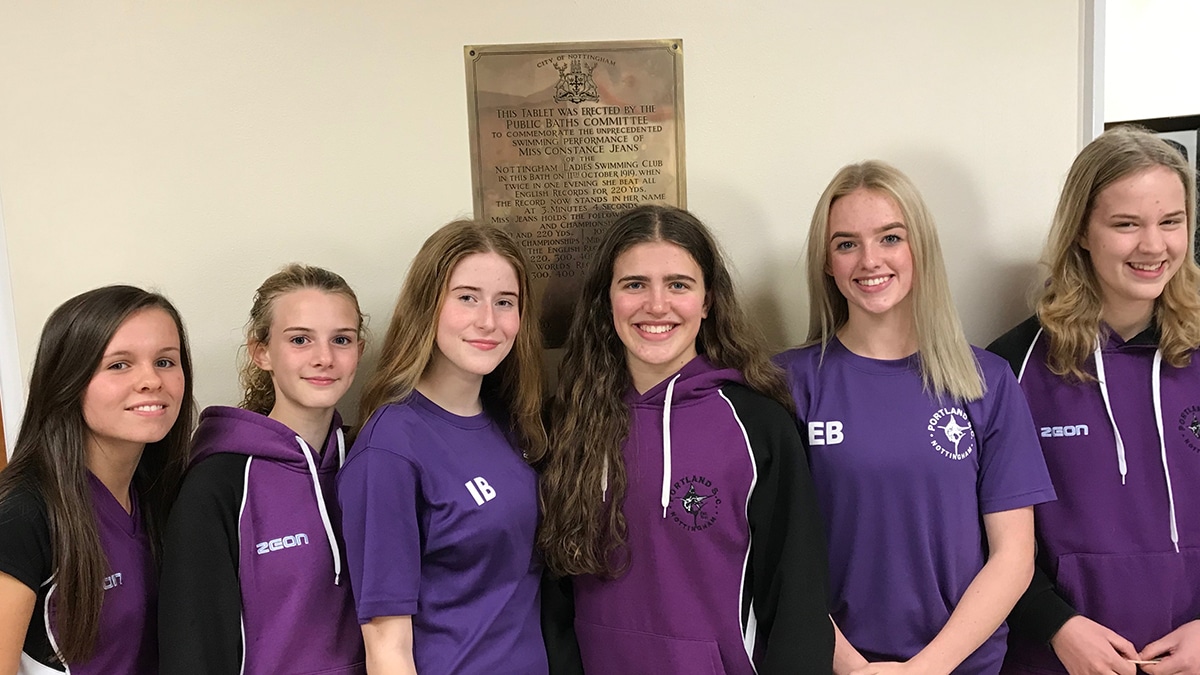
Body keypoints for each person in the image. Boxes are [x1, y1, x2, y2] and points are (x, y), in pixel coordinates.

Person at [777, 161, 1057, 675]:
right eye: (846, 244)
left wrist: (925, 669)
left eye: (890, 238)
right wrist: (852, 667)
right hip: (830, 663)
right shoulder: (789, 384)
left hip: (960, 666)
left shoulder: (986, 382)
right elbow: (774, 553)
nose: (869, 260)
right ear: (827, 264)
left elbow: (1014, 558)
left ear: (919, 248)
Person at [538, 204, 834, 674]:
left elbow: (797, 599)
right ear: (606, 298)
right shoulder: (567, 422)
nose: (657, 305)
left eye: (678, 284)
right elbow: (552, 597)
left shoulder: (757, 424)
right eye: (634, 284)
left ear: (708, 300)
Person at [987, 126, 1200, 675]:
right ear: (1082, 231)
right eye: (1126, 224)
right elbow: (973, 532)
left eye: (1170, 222)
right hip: (1054, 659)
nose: (1153, 246)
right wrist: (1054, 623)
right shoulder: (1010, 367)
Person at [338, 221, 548, 674]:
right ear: (427, 306)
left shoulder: (514, 428)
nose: (488, 321)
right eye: (467, 297)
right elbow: (386, 648)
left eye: (505, 302)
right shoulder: (389, 449)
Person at [158, 264, 367, 674]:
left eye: (341, 339)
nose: (324, 358)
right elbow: (193, 650)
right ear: (262, 352)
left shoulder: (371, 460)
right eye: (300, 340)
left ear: (359, 349)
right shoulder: (219, 482)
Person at [0, 285, 195, 674]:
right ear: (67, 381)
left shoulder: (169, 494)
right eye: (119, 364)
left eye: (165, 361)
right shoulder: (21, 515)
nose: (151, 381)